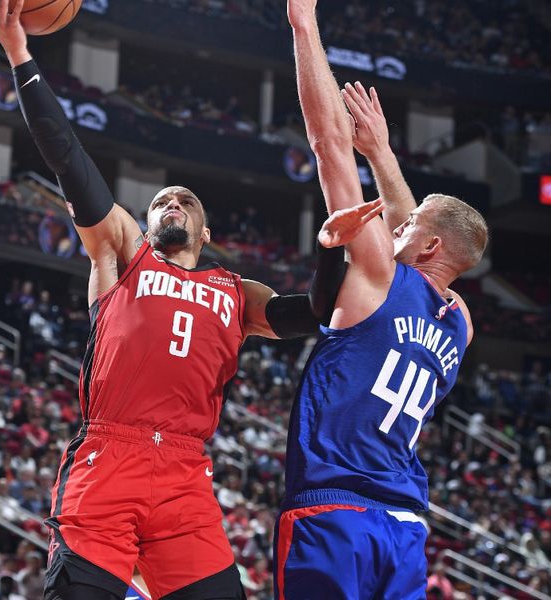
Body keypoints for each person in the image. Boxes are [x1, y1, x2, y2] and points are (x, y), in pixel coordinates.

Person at [0, 2, 375, 598]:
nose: (173, 203)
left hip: (186, 475)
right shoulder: (121, 253)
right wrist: (19, 54)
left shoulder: (236, 292)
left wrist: (327, 249)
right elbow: (68, 159)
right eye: (162, 200)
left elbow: (313, 315)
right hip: (109, 455)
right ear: (144, 221)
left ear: (207, 231)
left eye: (185, 200)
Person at [275, 1, 489, 598]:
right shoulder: (460, 323)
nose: (397, 224)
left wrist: (304, 25)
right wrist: (385, 154)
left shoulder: (378, 276)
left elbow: (327, 145)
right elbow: (419, 229)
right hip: (403, 527)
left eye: (408, 225)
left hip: (333, 512)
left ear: (429, 246)